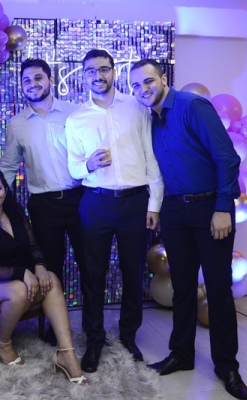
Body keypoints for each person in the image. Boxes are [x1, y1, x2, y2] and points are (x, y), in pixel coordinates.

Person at [129, 59, 247, 400]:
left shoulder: (192, 105)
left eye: (148, 81)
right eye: (136, 86)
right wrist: (158, 209)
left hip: (209, 207)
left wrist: (223, 208)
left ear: (163, 78)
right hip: (174, 210)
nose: (143, 89)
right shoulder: (150, 118)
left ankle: (227, 366)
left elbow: (227, 157)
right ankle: (181, 354)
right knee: (182, 288)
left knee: (218, 290)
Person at [65, 49, 164, 373]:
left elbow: (150, 158)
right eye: (91, 71)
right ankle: (94, 340)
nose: (98, 76)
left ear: (113, 71)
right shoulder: (76, 118)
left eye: (104, 69)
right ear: (83, 76)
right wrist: (88, 165)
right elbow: (73, 168)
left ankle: (128, 336)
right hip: (96, 202)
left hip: (135, 202)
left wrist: (154, 204)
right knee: (93, 274)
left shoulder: (136, 107)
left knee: (133, 272)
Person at [0, 167, 87, 385]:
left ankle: (66, 354)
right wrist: (22, 273)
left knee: (51, 279)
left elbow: (33, 246)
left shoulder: (14, 212)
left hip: (10, 273)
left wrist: (40, 266)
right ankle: (1, 343)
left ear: (5, 189)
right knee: (19, 291)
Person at [0, 58, 85, 346]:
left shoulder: (75, 112)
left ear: (50, 79)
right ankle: (54, 328)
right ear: (21, 86)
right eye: (26, 80)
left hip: (80, 198)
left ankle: (93, 327)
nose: (33, 84)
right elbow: (9, 166)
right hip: (43, 205)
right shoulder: (17, 124)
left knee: (90, 264)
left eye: (38, 78)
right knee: (50, 268)